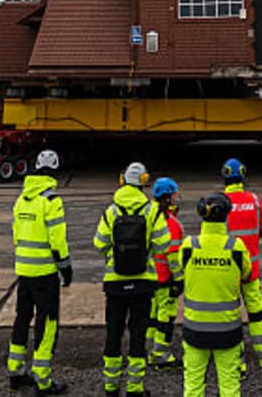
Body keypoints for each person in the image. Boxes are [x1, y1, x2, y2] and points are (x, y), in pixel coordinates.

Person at [94, 161, 170, 396]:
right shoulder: (152, 210)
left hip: (115, 283)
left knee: (113, 332)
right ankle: (135, 388)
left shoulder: (111, 211)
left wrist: (114, 254)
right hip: (143, 282)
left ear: (122, 180)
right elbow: (163, 245)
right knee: (138, 334)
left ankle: (111, 385)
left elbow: (99, 244)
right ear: (144, 182)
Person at [178, 193, 262, 397]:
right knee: (229, 385)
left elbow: (181, 270)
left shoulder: (189, 246)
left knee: (193, 385)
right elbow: (247, 274)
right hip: (228, 331)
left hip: (194, 330)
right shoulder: (236, 248)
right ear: (227, 216)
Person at [10, 150, 73, 393]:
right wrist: (65, 268)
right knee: (47, 324)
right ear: (55, 171)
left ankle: (15, 372)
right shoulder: (51, 200)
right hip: (45, 273)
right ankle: (43, 379)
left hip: (23, 270)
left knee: (21, 319)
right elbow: (58, 239)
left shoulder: (22, 199)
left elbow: (16, 234)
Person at [220, 158, 262, 371]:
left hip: (229, 271)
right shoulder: (254, 199)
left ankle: (238, 365)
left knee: (232, 318)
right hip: (251, 271)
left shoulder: (220, 202)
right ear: (243, 176)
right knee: (257, 315)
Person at [147, 177, 186, 371]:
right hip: (164, 279)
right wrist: (179, 280)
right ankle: (161, 355)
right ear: (168, 197)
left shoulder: (148, 216)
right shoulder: (171, 224)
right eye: (173, 195)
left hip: (149, 278)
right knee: (165, 318)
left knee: (151, 318)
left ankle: (148, 351)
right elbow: (173, 257)